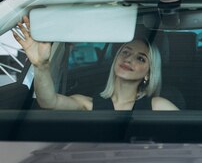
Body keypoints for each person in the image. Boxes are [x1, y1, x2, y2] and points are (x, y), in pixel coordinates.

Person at [12, 16, 178, 111]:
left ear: (149, 73)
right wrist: (41, 65)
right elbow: (48, 102)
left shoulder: (158, 106)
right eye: (125, 52)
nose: (128, 59)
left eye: (140, 58)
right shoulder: (88, 105)